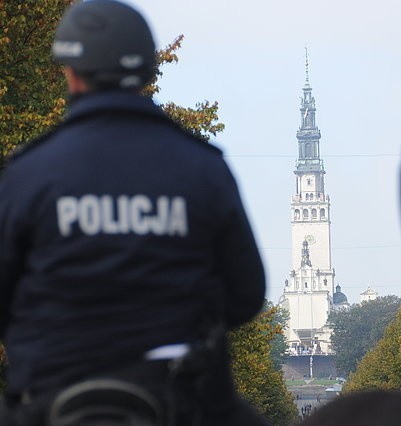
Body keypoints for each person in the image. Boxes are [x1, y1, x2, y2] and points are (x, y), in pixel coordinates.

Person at [0, 1, 267, 424]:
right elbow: (247, 296)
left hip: (48, 395)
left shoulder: (29, 171)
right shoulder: (202, 167)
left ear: (69, 72)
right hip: (178, 396)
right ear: (147, 72)